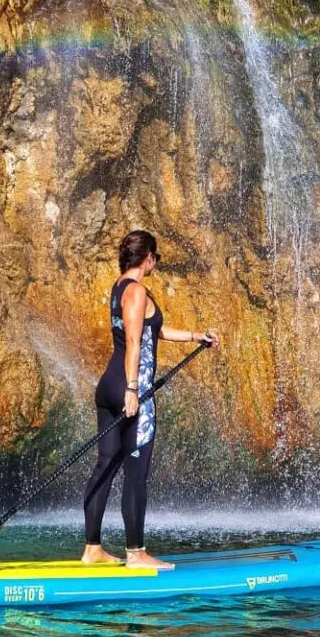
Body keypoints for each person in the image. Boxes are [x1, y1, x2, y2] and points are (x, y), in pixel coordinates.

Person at [81, 230, 221, 569]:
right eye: (155, 258)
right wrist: (132, 390)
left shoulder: (118, 288)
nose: (155, 263)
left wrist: (195, 336)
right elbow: (132, 341)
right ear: (148, 259)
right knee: (135, 473)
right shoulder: (138, 291)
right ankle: (136, 553)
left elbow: (152, 331)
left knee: (106, 465)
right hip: (133, 391)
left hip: (108, 386)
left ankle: (92, 549)